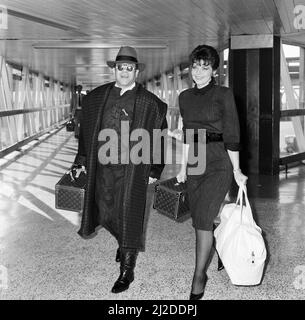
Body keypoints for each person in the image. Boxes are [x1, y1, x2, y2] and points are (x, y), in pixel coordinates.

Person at [73, 46, 168, 294]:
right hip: (104, 167)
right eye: (120, 68)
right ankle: (121, 243)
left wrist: (155, 168)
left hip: (132, 168)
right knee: (106, 208)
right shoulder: (97, 98)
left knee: (129, 213)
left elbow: (157, 137)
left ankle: (127, 271)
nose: (125, 72)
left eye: (129, 68)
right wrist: (81, 159)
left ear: (136, 71)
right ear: (114, 70)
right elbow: (85, 130)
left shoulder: (149, 103)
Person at [176, 45, 248, 300]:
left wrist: (237, 170)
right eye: (195, 66)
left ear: (214, 69)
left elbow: (232, 134)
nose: (198, 72)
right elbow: (187, 135)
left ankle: (198, 277)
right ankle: (219, 250)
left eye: (205, 67)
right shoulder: (184, 97)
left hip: (218, 161)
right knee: (200, 217)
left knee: (203, 221)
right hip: (195, 160)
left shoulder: (223, 95)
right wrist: (183, 167)